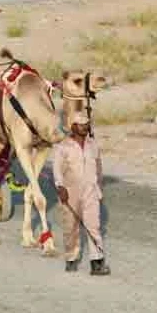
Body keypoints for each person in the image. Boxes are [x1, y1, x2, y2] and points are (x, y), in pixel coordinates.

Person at [53, 111, 111, 275]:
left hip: (91, 190)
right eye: (81, 124)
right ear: (72, 126)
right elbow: (57, 170)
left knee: (93, 225)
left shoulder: (93, 144)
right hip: (71, 192)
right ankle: (71, 258)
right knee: (71, 227)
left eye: (86, 124)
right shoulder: (62, 147)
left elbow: (98, 168)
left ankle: (96, 262)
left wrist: (99, 187)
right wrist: (60, 187)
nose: (85, 127)